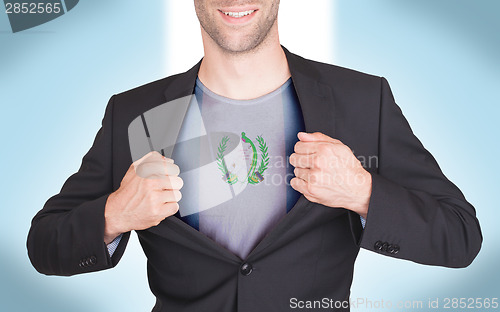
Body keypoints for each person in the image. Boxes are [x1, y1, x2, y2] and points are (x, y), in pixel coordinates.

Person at [27, 1, 482, 311]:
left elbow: (460, 236)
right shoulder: (136, 114)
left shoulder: (362, 100)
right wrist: (114, 214)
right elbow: (44, 245)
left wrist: (363, 192)